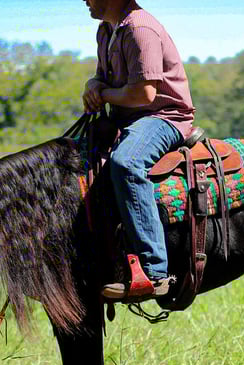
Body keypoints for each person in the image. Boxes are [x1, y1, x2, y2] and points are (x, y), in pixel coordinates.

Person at [82, 0, 195, 301]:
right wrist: (94, 83)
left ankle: (155, 272)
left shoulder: (140, 28)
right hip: (128, 118)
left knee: (127, 164)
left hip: (164, 117)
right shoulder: (106, 30)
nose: (84, 0)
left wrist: (103, 94)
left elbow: (144, 93)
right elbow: (104, 77)